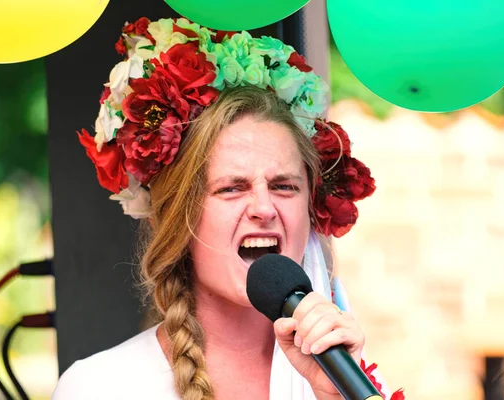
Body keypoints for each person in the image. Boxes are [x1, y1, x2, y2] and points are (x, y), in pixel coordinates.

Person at [53, 16, 404, 400]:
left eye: (284, 186)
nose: (264, 208)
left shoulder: (347, 378)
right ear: (176, 218)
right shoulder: (100, 388)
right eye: (232, 188)